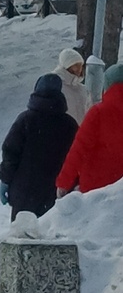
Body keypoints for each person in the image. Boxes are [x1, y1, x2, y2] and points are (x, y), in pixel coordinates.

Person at [0, 73, 78, 219]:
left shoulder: (25, 120)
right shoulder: (70, 125)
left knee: (21, 235)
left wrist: (5, 180)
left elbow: (10, 152)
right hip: (55, 193)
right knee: (51, 236)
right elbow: (77, 158)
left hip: (24, 193)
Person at [56, 62, 123, 196]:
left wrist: (63, 183)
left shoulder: (98, 113)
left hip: (94, 191)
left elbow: (79, 149)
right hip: (119, 192)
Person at [53, 48, 93, 126]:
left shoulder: (83, 89)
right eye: (75, 65)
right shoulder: (56, 86)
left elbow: (89, 112)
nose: (79, 69)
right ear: (67, 65)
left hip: (80, 134)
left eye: (80, 65)